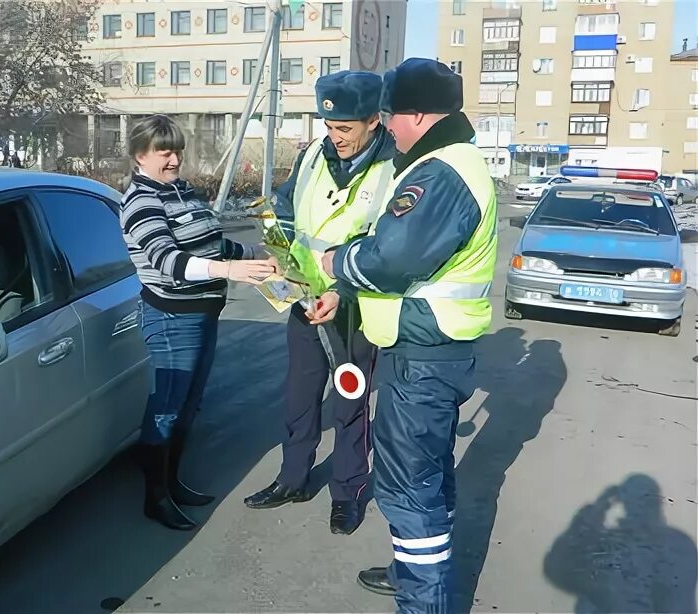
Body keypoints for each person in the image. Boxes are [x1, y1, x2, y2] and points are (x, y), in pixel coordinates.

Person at [320, 59, 498, 611]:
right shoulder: (442, 162)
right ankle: (413, 576)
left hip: (422, 356)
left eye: (392, 115)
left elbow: (391, 258)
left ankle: (424, 601)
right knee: (429, 475)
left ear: (419, 114)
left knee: (406, 488)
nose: (387, 125)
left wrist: (335, 262)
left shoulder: (440, 172)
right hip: (428, 351)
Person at [243, 70, 397, 535]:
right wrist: (281, 260)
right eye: (330, 127)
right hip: (302, 300)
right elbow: (283, 209)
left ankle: (347, 492)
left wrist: (340, 291)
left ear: (374, 120)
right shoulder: (313, 154)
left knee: (349, 403)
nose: (336, 137)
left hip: (355, 307)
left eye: (345, 128)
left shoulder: (397, 167)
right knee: (298, 397)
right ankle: (293, 479)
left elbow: (386, 247)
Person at [121, 114, 275, 531]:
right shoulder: (141, 202)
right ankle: (156, 497)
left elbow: (212, 241)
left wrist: (254, 256)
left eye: (176, 150)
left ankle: (172, 482)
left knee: (188, 406)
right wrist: (230, 272)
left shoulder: (180, 191)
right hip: (172, 319)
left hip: (203, 315)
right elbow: (168, 262)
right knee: (167, 409)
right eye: (163, 151)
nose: (173, 158)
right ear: (140, 155)